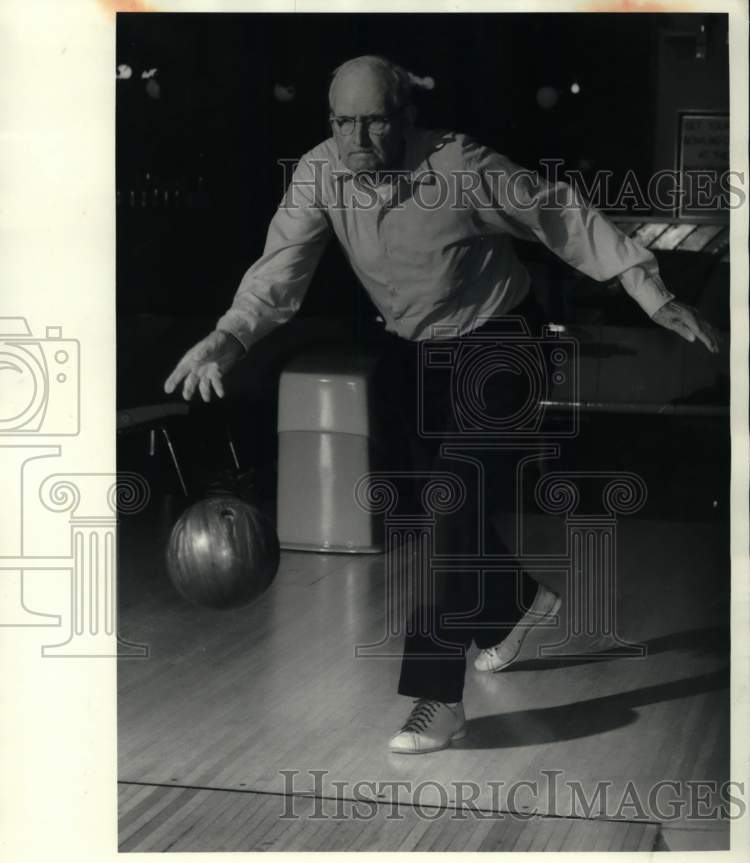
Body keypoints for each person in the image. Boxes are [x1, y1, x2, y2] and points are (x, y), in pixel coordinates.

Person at [164, 54, 720, 754]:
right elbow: (280, 271)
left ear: (406, 118)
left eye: (373, 121)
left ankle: (437, 695)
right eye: (342, 122)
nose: (357, 138)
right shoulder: (319, 172)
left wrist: (651, 290)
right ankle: (518, 602)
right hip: (416, 353)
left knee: (452, 503)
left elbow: (561, 215)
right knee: (441, 505)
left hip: (499, 344)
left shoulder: (463, 167)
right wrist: (227, 339)